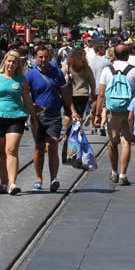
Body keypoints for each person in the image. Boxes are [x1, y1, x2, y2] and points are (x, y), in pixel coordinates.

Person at [0, 50, 38, 195]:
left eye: (14, 62)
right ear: (5, 61)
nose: (11, 64)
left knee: (11, 149)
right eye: (9, 61)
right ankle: (3, 182)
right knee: (1, 152)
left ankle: (12, 183)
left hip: (16, 116)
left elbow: (27, 100)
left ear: (18, 64)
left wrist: (34, 117)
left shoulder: (21, 80)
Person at [26, 45, 77, 192]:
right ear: (35, 58)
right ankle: (38, 178)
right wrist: (31, 105)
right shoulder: (30, 75)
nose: (43, 60)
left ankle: (54, 178)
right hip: (37, 117)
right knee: (39, 148)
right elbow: (25, 95)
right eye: (40, 57)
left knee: (53, 145)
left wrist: (72, 110)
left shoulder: (57, 73)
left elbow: (65, 93)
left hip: (54, 115)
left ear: (50, 57)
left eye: (45, 57)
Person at [97, 43, 135, 186]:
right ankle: (123, 174)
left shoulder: (107, 70)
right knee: (126, 141)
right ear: (128, 55)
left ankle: (114, 172)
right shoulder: (134, 71)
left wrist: (97, 113)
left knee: (112, 142)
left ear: (114, 55)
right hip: (129, 111)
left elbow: (102, 94)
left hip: (112, 111)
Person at [63, 47, 95, 136]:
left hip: (68, 94)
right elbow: (92, 82)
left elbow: (61, 80)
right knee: (79, 115)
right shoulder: (86, 68)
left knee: (67, 114)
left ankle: (67, 133)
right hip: (82, 94)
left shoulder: (67, 66)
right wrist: (92, 93)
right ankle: (76, 133)